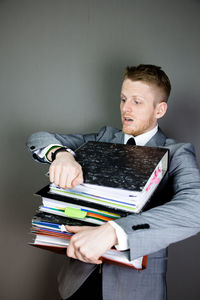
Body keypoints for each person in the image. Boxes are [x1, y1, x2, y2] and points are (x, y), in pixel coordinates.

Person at [27, 64, 200, 300]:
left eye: (137, 101)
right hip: (77, 282)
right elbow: (39, 138)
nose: (126, 109)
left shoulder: (177, 153)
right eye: (123, 99)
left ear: (160, 110)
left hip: (134, 290)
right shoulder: (102, 138)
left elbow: (195, 207)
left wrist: (113, 232)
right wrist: (62, 154)